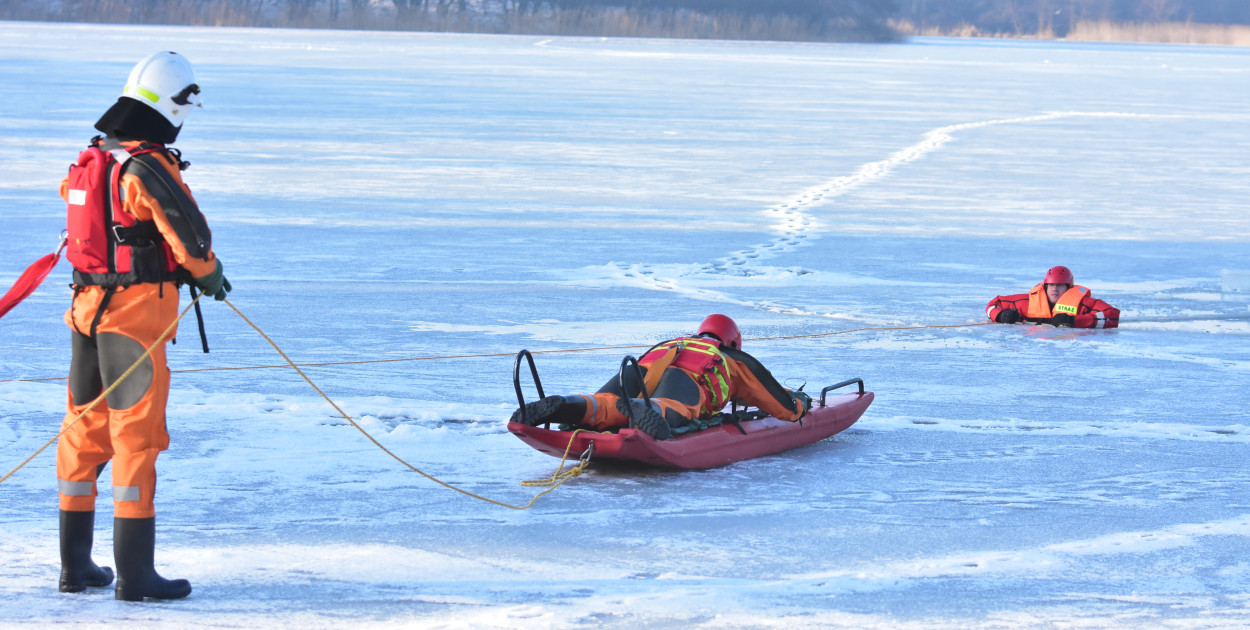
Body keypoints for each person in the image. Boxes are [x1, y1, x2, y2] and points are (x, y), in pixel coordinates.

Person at [55, 51, 230, 601]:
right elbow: (188, 231)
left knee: (83, 433)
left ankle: (76, 567)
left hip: (87, 308)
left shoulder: (94, 157)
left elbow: (84, 215)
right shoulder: (148, 164)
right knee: (135, 437)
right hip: (133, 316)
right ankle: (135, 576)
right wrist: (207, 273)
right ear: (170, 105)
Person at [510, 314, 810, 439]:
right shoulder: (733, 358)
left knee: (606, 402)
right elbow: (777, 404)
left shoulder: (673, 341)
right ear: (732, 341)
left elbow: (646, 366)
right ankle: (650, 411)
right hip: (687, 380)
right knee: (674, 406)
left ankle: (567, 404)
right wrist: (798, 404)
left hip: (638, 371)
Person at [986, 265, 1119, 329]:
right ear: (1045, 287)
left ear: (1069, 288)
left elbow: (1112, 316)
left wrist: (1074, 320)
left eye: (1060, 285)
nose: (1054, 289)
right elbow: (993, 304)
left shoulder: (1082, 304)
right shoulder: (1026, 302)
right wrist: (1001, 315)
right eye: (1051, 285)